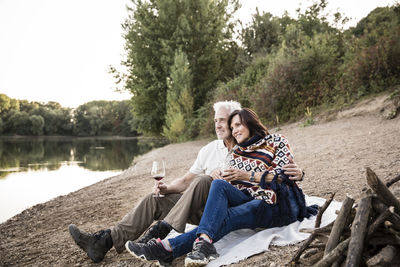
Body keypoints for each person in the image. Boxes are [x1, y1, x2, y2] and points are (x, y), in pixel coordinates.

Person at [68, 103, 304, 263]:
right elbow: (186, 181)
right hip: (203, 204)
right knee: (157, 198)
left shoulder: (256, 146)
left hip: (235, 206)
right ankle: (106, 240)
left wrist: (295, 174)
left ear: (244, 121)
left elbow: (282, 176)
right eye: (218, 121)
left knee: (207, 181)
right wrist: (166, 188)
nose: (222, 126)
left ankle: (162, 234)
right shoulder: (213, 150)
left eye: (228, 122)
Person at [125, 108, 316, 267]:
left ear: (251, 123)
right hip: (249, 199)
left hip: (275, 203)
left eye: (238, 125)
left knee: (227, 218)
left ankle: (167, 247)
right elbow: (231, 186)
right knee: (219, 185)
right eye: (232, 127)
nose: (234, 131)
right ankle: (199, 244)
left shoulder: (277, 142)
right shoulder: (236, 153)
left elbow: (285, 177)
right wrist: (220, 176)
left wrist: (247, 176)